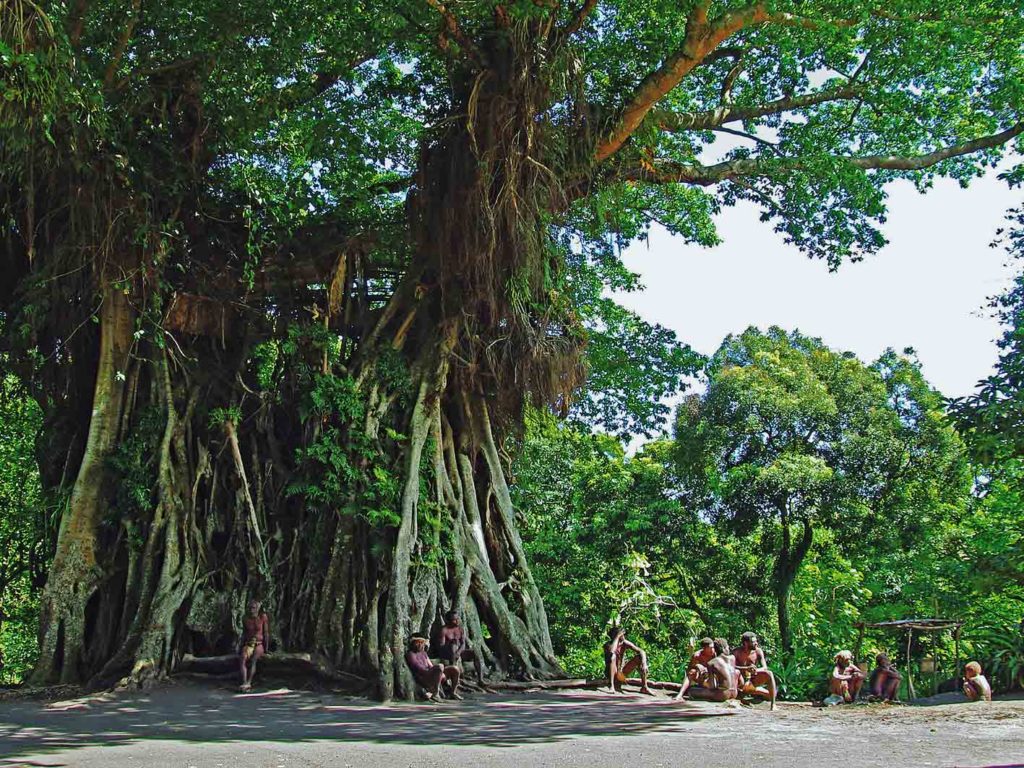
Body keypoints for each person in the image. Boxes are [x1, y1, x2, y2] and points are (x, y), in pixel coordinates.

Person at [406, 635, 462, 701]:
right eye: (418, 642)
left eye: (422, 643)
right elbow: (417, 667)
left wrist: (439, 672)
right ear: (413, 643)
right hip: (423, 677)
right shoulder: (411, 654)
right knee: (440, 666)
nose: (420, 645)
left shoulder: (423, 653)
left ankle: (453, 692)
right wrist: (435, 671)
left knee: (455, 669)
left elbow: (430, 665)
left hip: (431, 674)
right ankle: (435, 693)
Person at [732, 631, 777, 710]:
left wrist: (755, 670)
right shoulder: (736, 652)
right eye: (753, 642)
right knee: (739, 694)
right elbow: (731, 667)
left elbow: (765, 667)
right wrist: (746, 668)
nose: (756, 643)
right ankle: (750, 692)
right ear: (746, 643)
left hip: (752, 680)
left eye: (756, 641)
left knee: (769, 674)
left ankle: (773, 704)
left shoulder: (758, 651)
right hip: (740, 682)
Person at [437, 611, 484, 684]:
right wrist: (450, 644)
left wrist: (458, 652)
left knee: (475, 652)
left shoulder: (460, 629)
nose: (457, 621)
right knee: (453, 646)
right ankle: (454, 679)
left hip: (458, 651)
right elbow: (441, 646)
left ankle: (480, 680)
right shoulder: (444, 630)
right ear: (449, 621)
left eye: (457, 619)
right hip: (447, 653)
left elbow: (463, 644)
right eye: (454, 620)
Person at [687, 638, 738, 703]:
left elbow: (712, 686)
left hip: (723, 695)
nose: (728, 649)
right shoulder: (732, 658)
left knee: (692, 691)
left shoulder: (712, 662)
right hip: (734, 693)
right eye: (727, 647)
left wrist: (703, 682)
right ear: (723, 648)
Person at [604, 627, 653, 695]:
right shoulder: (608, 645)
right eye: (621, 634)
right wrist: (617, 637)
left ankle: (644, 687)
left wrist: (644, 664)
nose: (623, 636)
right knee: (613, 656)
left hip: (620, 673)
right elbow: (612, 651)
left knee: (639, 657)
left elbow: (641, 651)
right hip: (611, 674)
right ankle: (611, 686)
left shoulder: (624, 643)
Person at [238, 599, 270, 692]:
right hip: (249, 644)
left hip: (259, 643)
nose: (251, 610)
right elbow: (244, 633)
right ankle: (244, 683)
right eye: (250, 608)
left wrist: (266, 647)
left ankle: (249, 682)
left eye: (253, 608)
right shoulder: (245, 618)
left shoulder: (262, 617)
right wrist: (240, 646)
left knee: (254, 660)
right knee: (243, 658)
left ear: (257, 609)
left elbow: (266, 633)